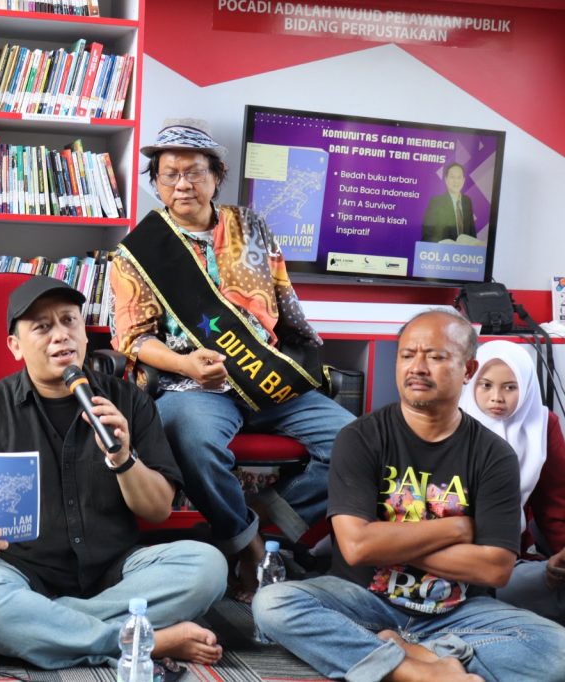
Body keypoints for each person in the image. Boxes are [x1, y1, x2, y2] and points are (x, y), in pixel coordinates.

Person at [0, 276, 227, 669]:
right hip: (20, 572)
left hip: (115, 571)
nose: (61, 335)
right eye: (42, 327)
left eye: (69, 321)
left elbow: (157, 509)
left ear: (84, 333)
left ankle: (29, 633)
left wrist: (123, 457)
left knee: (208, 566)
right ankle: (139, 641)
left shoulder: (129, 401)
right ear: (15, 345)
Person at [109, 117, 355, 593]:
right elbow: (134, 339)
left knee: (356, 443)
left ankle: (261, 520)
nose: (183, 184)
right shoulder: (137, 252)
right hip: (191, 384)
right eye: (170, 174)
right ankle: (250, 548)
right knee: (195, 443)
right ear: (156, 183)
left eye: (194, 172)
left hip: (267, 377)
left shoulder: (251, 225)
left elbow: (284, 302)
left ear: (216, 175)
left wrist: (299, 361)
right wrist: (185, 364)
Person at [253, 310, 565, 682]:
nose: (417, 367)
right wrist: (455, 529)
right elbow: (357, 548)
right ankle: (421, 671)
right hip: (364, 603)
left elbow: (494, 568)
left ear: (468, 370)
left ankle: (406, 653)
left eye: (435, 356)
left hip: (458, 612)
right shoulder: (360, 438)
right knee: (273, 604)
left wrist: (385, 540)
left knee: (558, 651)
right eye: (407, 355)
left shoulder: (494, 455)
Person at [459, 340, 565, 624]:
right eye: (486, 385)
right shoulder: (450, 420)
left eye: (510, 387)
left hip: (509, 553)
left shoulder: (542, 423)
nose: (497, 398)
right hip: (451, 552)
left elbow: (555, 504)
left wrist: (562, 557)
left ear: (527, 387)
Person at [421, 163, 477, 243]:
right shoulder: (436, 202)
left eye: (459, 177)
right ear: (446, 180)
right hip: (444, 249)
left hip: (465, 250)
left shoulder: (467, 201)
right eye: (452, 177)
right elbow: (428, 234)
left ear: (463, 180)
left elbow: (472, 232)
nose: (456, 181)